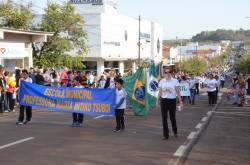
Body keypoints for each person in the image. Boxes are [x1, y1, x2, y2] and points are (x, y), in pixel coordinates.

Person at [157, 67, 183, 140]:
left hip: (172, 100)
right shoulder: (162, 81)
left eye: (169, 72)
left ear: (171, 73)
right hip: (164, 100)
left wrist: (180, 101)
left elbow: (178, 92)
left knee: (172, 117)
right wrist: (157, 100)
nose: (167, 74)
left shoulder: (175, 81)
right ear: (164, 73)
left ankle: (175, 131)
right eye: (166, 72)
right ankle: (166, 135)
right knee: (164, 118)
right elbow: (160, 91)